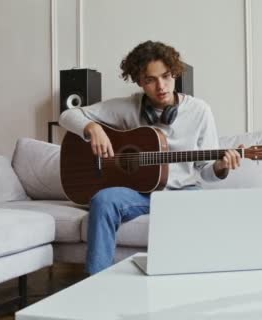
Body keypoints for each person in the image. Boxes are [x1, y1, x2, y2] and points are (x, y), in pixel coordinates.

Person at [59, 40, 242, 274]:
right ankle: (96, 285)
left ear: (175, 73)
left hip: (181, 193)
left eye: (166, 76)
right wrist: (92, 129)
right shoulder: (128, 108)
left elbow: (205, 170)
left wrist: (220, 167)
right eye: (151, 80)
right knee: (103, 200)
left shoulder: (199, 111)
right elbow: (67, 114)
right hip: (139, 193)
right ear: (139, 82)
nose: (161, 86)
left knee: (202, 208)